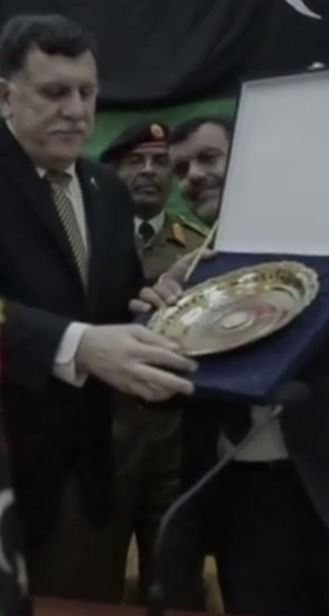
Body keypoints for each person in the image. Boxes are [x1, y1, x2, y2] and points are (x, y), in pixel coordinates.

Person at [0, 14, 198, 603]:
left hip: (84, 483)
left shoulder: (106, 191)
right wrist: (80, 345)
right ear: (6, 95)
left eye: (87, 93)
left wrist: (155, 303)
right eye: (55, 92)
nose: (76, 111)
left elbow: (110, 308)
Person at [140, 114, 329, 616]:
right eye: (181, 169)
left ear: (250, 164)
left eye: (208, 158)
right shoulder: (188, 273)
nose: (193, 175)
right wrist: (157, 323)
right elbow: (161, 394)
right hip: (247, 516)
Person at [99, 119, 208, 607]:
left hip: (177, 437)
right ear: (112, 172)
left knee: (175, 582)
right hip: (102, 435)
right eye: (135, 161)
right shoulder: (87, 242)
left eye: (160, 162)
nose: (149, 171)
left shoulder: (200, 248)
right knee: (91, 584)